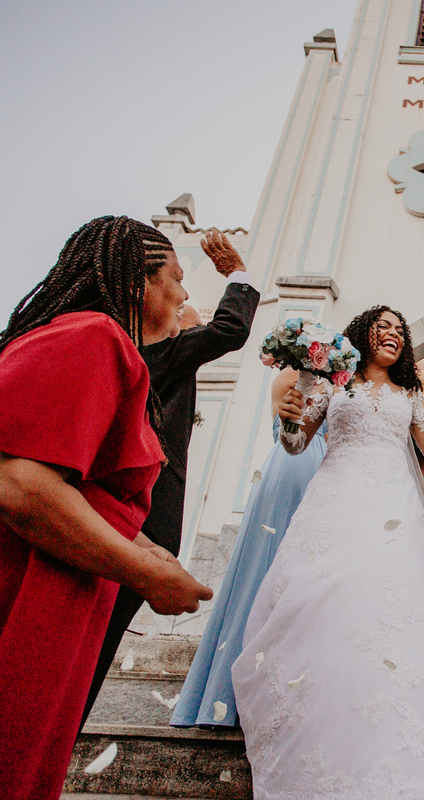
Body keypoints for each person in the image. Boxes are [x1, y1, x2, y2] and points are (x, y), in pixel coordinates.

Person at [0, 216, 213, 800]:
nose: (184, 295)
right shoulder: (94, 335)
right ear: (139, 283)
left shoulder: (95, 341)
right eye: (176, 279)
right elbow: (22, 487)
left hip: (29, 571)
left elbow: (74, 487)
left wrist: (144, 545)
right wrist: (147, 572)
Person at [232, 305, 424, 800]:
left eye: (399, 330)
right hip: (335, 502)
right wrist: (286, 421)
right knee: (323, 600)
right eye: (382, 326)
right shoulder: (331, 382)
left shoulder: (409, 393)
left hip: (392, 508)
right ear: (361, 334)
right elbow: (298, 443)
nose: (392, 335)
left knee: (394, 613)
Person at [83, 228, 259, 724]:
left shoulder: (136, 355)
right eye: (179, 286)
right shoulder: (157, 352)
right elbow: (229, 329)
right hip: (135, 522)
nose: (186, 300)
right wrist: (238, 275)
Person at [170, 366, 328, 728]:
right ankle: (234, 696)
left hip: (325, 475)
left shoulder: (337, 386)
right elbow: (289, 431)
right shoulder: (293, 380)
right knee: (264, 573)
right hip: (293, 468)